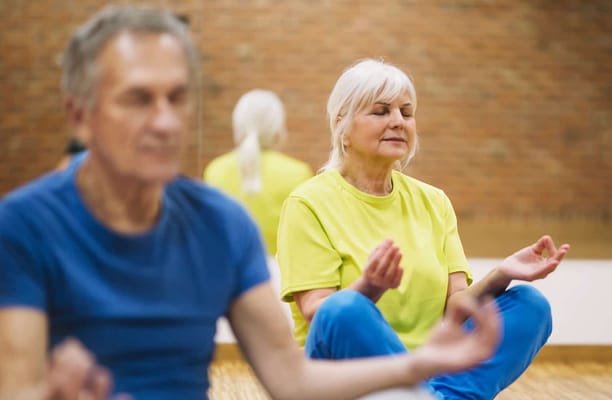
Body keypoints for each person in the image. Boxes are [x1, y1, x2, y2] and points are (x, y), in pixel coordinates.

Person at [0, 7, 502, 400]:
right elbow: (17, 387)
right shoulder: (23, 226)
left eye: (177, 98)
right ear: (80, 116)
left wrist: (422, 365)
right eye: (138, 99)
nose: (166, 121)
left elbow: (290, 381)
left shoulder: (222, 224)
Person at [276, 58, 570, 400]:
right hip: (343, 376)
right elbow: (320, 313)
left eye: (406, 112)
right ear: (342, 123)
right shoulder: (308, 202)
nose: (398, 121)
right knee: (344, 309)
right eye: (381, 111)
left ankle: (428, 395)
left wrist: (502, 274)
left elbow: (455, 307)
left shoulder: (434, 201)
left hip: (431, 368)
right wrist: (369, 286)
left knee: (530, 304)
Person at [203, 89, 313, 257]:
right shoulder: (298, 173)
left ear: (237, 126)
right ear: (278, 129)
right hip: (281, 276)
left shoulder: (215, 170)